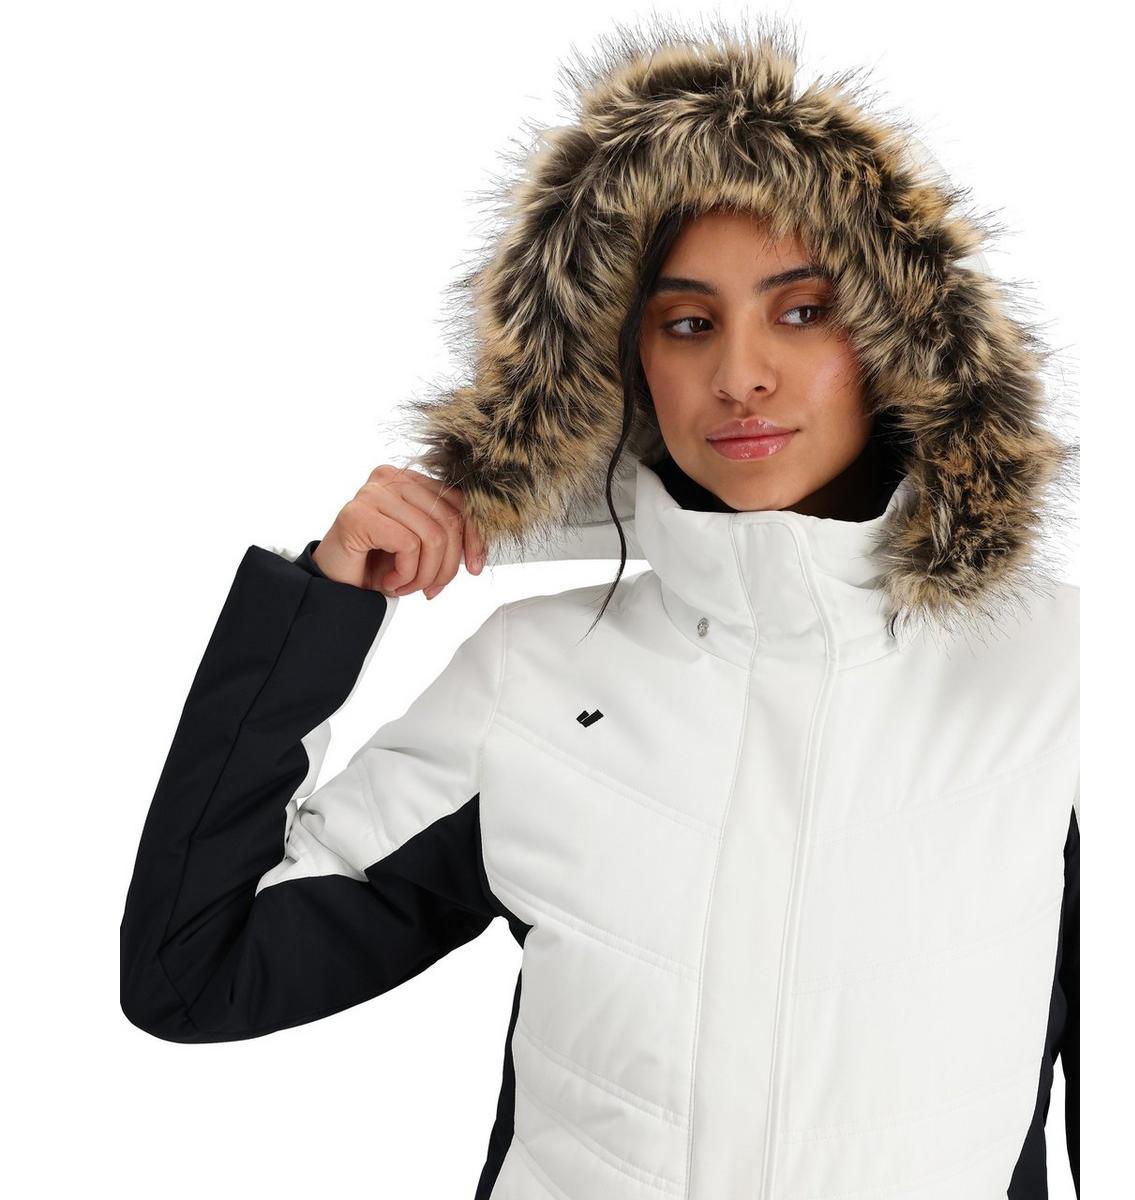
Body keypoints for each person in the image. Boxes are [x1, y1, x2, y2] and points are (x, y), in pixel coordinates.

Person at [120, 15, 1079, 1200]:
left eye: (801, 310)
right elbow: (193, 973)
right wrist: (321, 607)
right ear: (624, 366)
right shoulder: (536, 674)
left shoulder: (1064, 674)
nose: (741, 375)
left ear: (900, 339)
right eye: (688, 324)